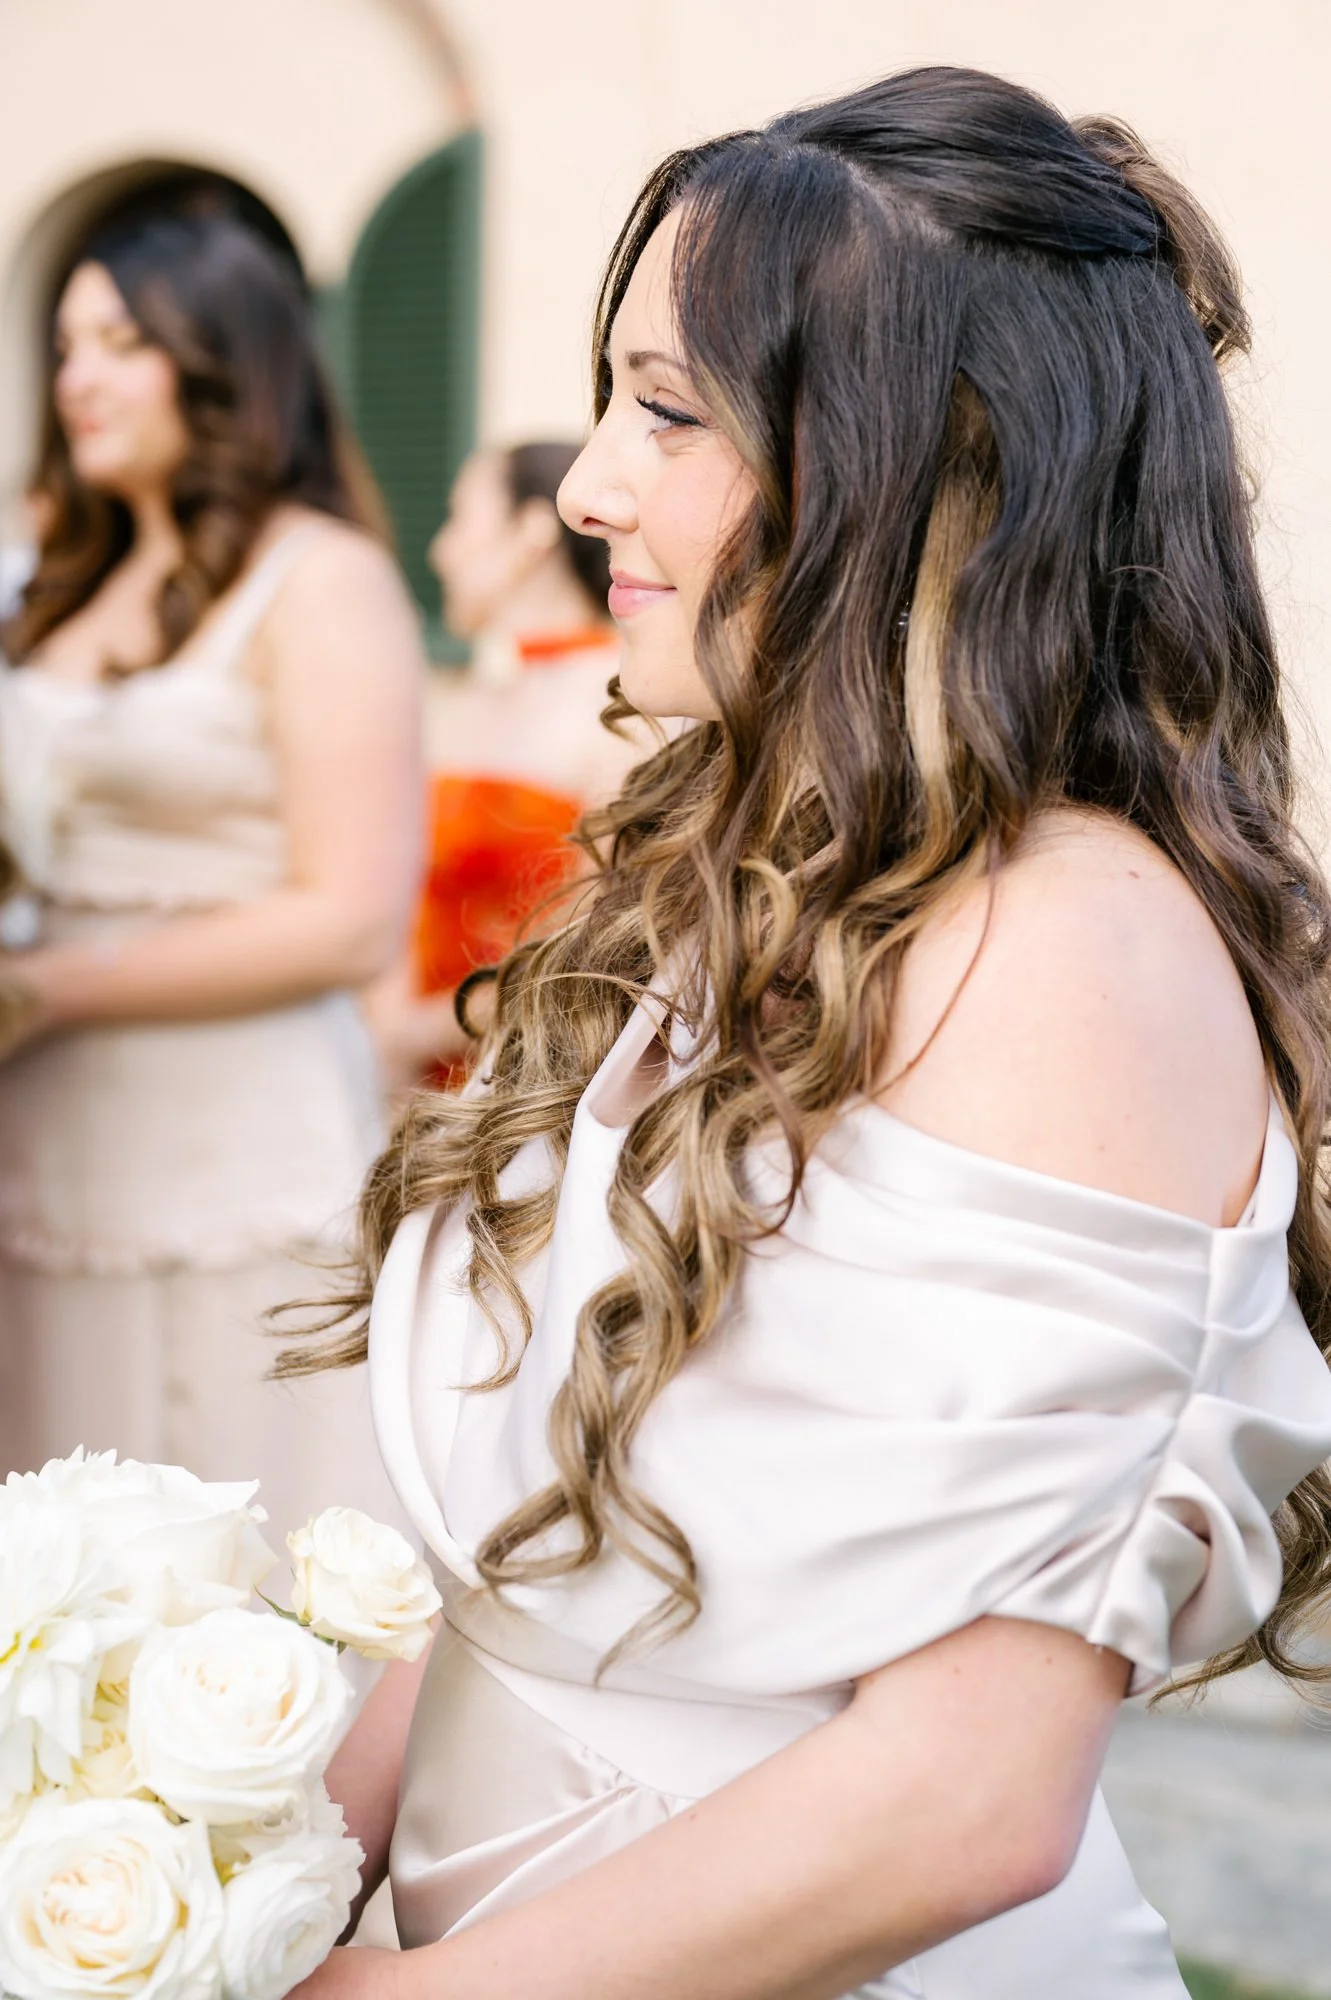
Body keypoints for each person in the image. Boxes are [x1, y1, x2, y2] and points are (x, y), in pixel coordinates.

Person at [293, 67, 1331, 2000]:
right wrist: (252, 1860)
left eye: (669, 411)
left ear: (928, 463)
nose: (588, 487)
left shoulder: (1063, 945)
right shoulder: (750, 865)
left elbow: (966, 1800)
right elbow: (545, 1557)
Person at [0, 206, 423, 1543]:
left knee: (227, 1530)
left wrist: (46, 988)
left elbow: (351, 920)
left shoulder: (321, 579)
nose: (77, 379)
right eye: (66, 346)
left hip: (233, 1136)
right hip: (42, 1139)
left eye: (119, 342)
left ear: (222, 360)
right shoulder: (57, 584)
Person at [360, 441, 646, 1089]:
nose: (441, 551)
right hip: (408, 1080)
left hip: (523, 1080)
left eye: (461, 519)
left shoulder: (622, 706)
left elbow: (597, 942)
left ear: (530, 533)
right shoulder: (467, 698)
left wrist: (412, 1034)